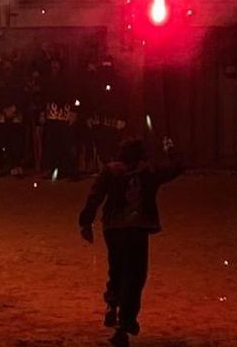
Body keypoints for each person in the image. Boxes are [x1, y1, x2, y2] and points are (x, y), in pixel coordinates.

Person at [79, 137, 184, 347]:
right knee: (135, 276)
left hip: (114, 228)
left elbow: (95, 196)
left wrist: (86, 222)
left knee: (117, 268)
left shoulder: (110, 171)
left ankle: (112, 302)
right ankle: (124, 324)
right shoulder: (148, 173)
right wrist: (170, 148)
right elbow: (176, 168)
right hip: (136, 228)